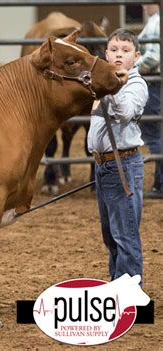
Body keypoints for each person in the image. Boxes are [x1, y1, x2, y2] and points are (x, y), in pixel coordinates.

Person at [88, 29, 149, 284]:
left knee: (125, 235)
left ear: (136, 56)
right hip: (105, 167)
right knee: (111, 235)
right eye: (114, 50)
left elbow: (125, 113)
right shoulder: (103, 83)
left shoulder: (136, 84)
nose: (118, 55)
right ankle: (117, 286)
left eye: (125, 51)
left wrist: (113, 87)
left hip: (123, 165)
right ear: (106, 54)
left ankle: (130, 296)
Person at [137, 4, 163, 199]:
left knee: (152, 134)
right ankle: (159, 183)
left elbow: (153, 57)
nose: (143, 5)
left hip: (152, 82)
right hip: (154, 82)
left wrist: (129, 67)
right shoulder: (154, 21)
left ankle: (161, 185)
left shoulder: (156, 23)